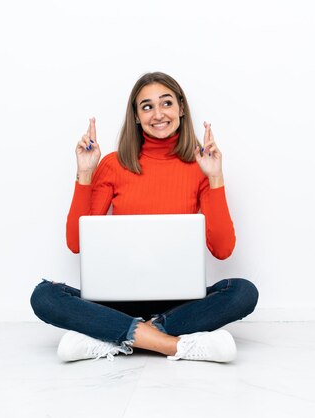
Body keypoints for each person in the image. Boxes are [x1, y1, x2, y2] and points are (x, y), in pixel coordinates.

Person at [30, 72, 259, 363]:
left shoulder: (198, 166)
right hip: (116, 300)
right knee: (44, 296)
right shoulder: (113, 165)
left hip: (179, 302)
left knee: (242, 292)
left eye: (166, 103)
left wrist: (215, 177)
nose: (158, 114)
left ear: (181, 109)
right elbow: (76, 243)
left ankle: (113, 337)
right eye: (147, 106)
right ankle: (173, 344)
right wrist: (85, 173)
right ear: (136, 116)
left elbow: (223, 250)